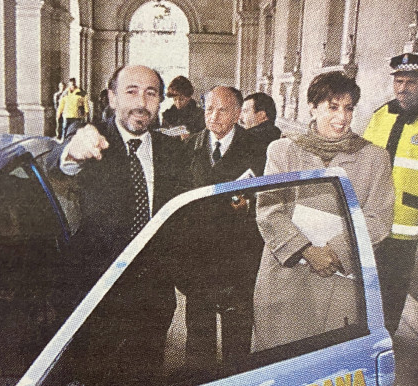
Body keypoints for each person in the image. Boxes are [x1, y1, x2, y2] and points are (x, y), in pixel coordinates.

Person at [47, 64, 186, 369]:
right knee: (93, 381)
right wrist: (73, 151)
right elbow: (59, 164)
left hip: (153, 295)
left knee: (144, 378)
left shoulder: (173, 151)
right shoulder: (94, 139)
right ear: (112, 98)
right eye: (131, 91)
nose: (141, 102)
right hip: (95, 291)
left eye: (151, 93)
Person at [252, 71, 394, 351]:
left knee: (329, 370)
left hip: (340, 280)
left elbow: (379, 218)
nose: (342, 117)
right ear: (313, 108)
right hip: (286, 275)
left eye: (348, 107)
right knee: (278, 369)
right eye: (332, 107)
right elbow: (269, 209)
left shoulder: (374, 158)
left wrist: (335, 251)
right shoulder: (282, 151)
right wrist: (307, 250)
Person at [181, 86, 266, 370]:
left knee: (238, 337)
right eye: (208, 109)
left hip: (238, 259)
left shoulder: (259, 150)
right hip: (198, 259)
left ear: (239, 113)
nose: (213, 116)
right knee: (198, 336)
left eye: (223, 110)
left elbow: (266, 202)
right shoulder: (188, 147)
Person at [363, 53, 418, 335]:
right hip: (371, 219)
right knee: (366, 286)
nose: (403, 88)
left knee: (392, 291)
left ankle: (385, 340)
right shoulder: (382, 114)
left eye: (411, 82)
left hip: (407, 224)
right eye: (399, 81)